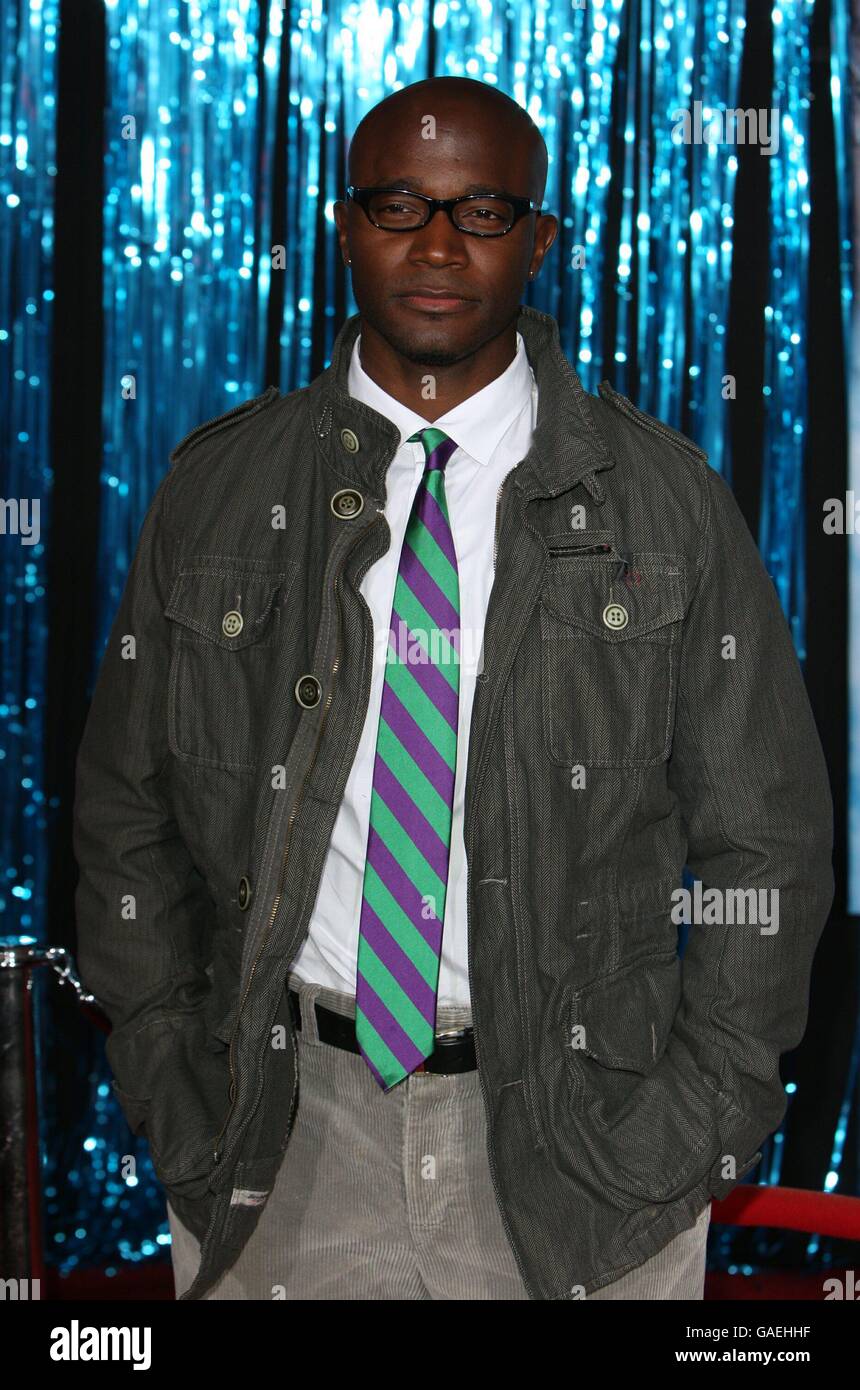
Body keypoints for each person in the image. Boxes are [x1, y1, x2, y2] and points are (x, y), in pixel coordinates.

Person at [73, 76, 834, 1301]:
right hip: (280, 1138)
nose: (435, 246)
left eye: (481, 211)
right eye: (397, 206)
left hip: (589, 1155)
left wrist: (691, 1123)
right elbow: (125, 814)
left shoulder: (666, 505)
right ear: (342, 225)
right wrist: (171, 1077)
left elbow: (770, 843)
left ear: (541, 240)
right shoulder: (216, 491)